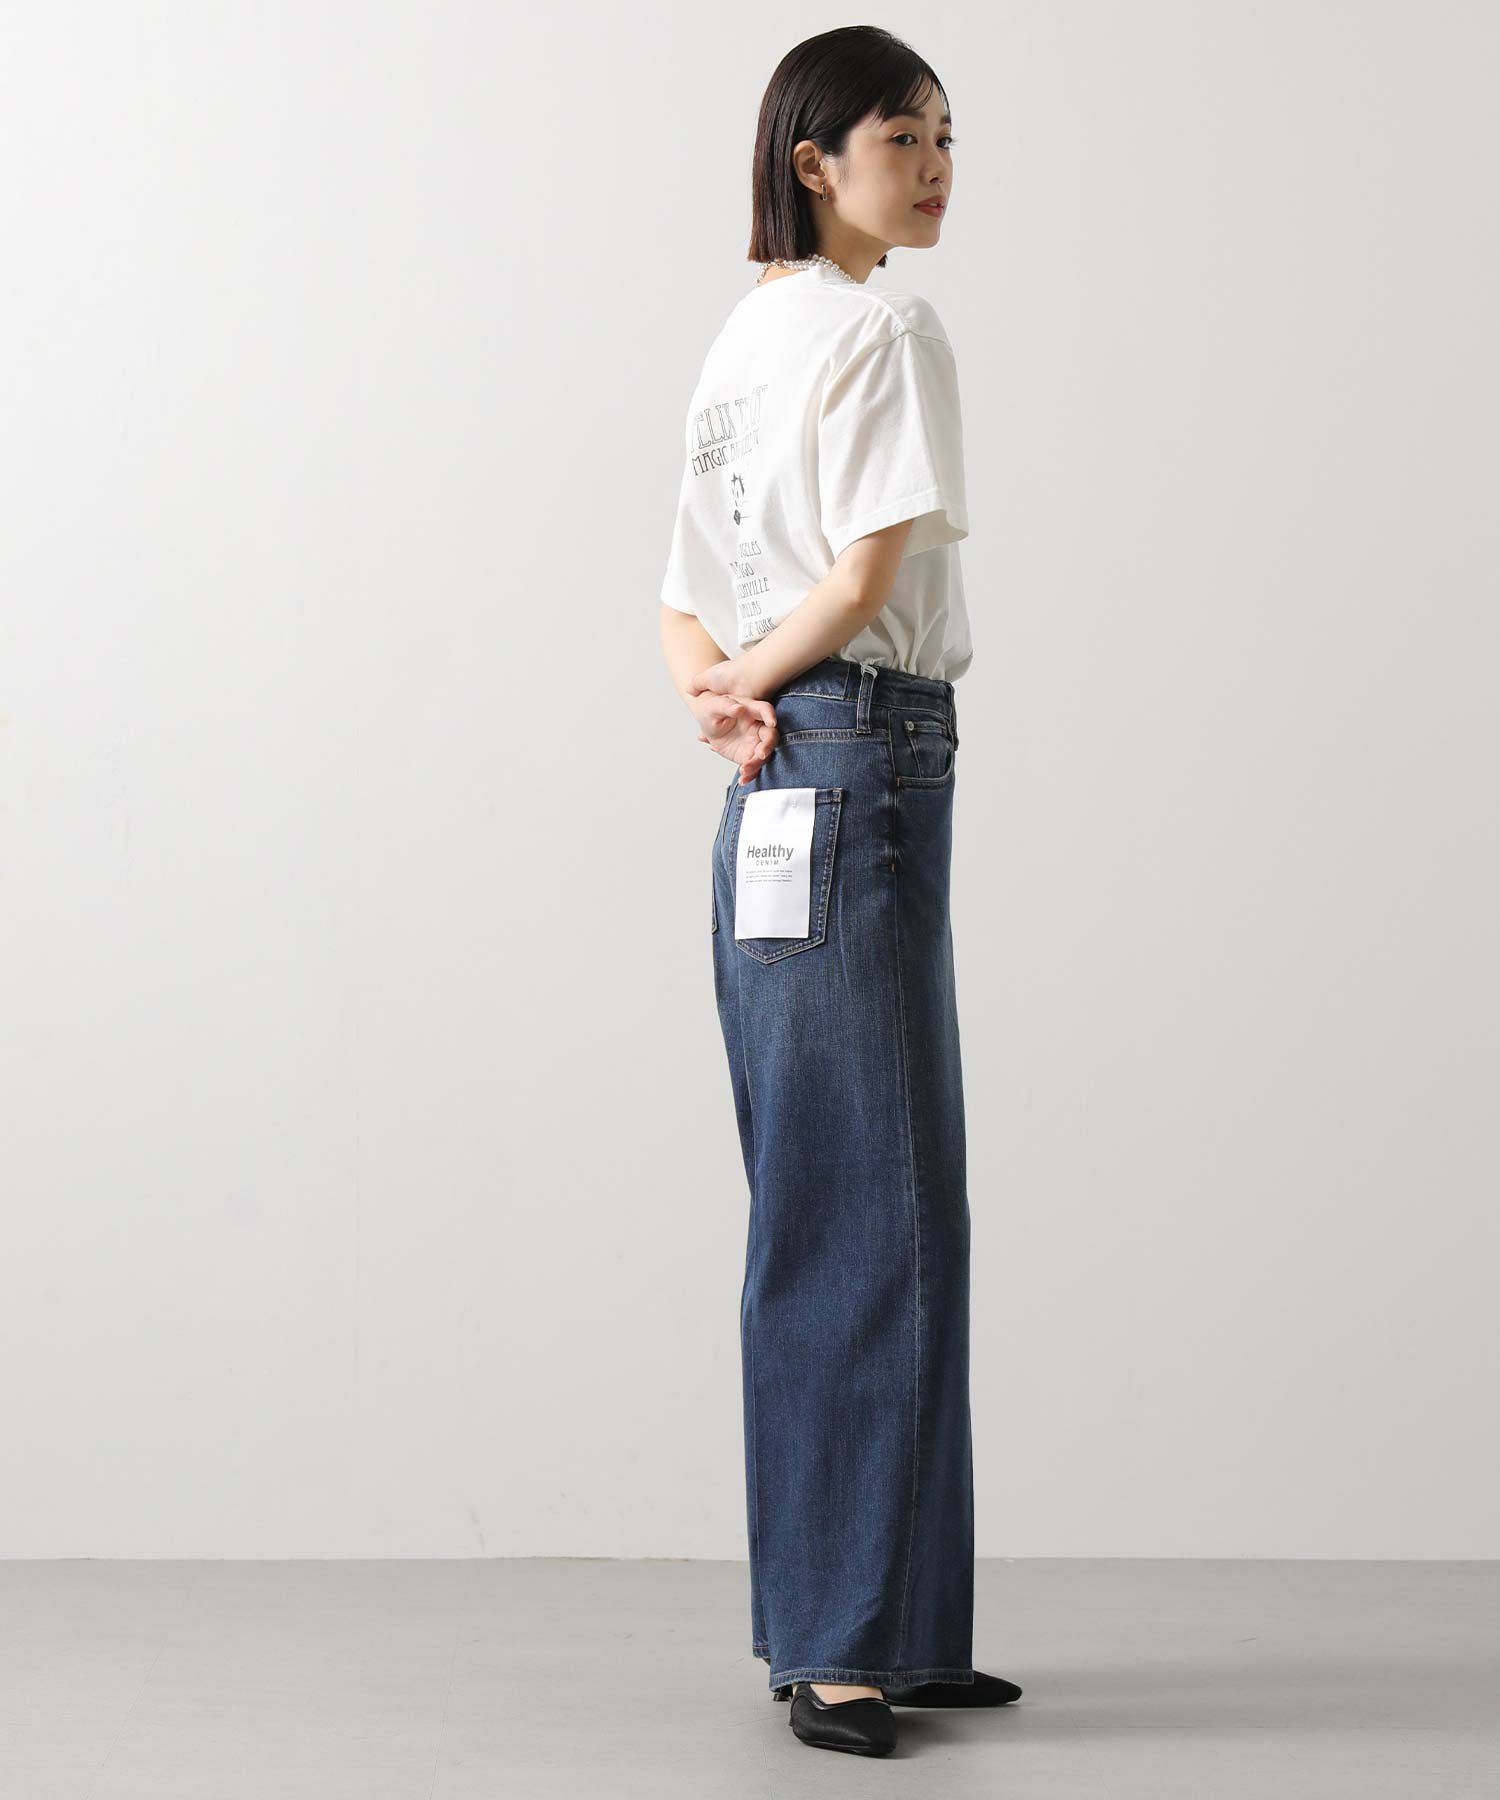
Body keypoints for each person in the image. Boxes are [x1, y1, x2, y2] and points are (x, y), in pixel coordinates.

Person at [658, 27, 1021, 1758]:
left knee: (852, 1193)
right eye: (901, 136)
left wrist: (721, 693)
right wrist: (764, 685)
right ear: (815, 159)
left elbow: (680, 596)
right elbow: (871, 572)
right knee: (875, 1203)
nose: (935, 166)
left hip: (774, 776)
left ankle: (892, 1622)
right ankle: (844, 1643)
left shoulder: (744, 341)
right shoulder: (881, 330)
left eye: (947, 135)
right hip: (862, 752)